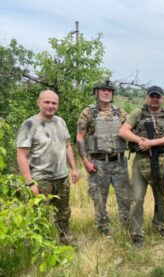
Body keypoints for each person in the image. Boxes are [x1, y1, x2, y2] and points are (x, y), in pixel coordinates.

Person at [16, 89, 79, 245]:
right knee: (39, 214)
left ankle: (65, 238)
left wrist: (73, 168)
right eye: (47, 102)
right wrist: (30, 183)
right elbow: (21, 156)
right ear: (39, 103)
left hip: (61, 176)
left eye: (54, 103)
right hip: (40, 178)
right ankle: (39, 245)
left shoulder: (60, 121)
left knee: (64, 212)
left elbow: (67, 146)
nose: (51, 106)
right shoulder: (29, 125)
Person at [119, 85, 164, 247]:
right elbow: (123, 131)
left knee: (160, 197)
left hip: (161, 160)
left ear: (162, 98)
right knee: (137, 198)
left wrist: (152, 143)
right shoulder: (138, 113)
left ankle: (159, 226)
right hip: (141, 160)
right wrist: (139, 141)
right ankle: (137, 233)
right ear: (147, 98)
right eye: (152, 96)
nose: (155, 99)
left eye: (157, 96)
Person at [76, 79, 132, 236]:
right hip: (98, 163)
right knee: (99, 199)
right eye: (103, 90)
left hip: (119, 162)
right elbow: (80, 137)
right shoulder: (88, 113)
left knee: (126, 198)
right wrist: (85, 161)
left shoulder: (120, 113)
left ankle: (126, 228)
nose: (107, 92)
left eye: (109, 90)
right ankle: (103, 230)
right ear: (96, 92)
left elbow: (132, 129)